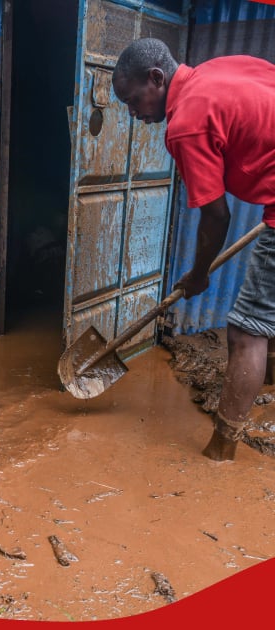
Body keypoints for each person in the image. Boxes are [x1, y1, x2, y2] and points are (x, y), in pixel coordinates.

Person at [112, 39, 275, 461]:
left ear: (156, 78)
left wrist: (199, 274)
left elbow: (217, 215)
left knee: (247, 330)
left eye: (132, 101)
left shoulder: (186, 123)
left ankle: (221, 450)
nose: (133, 113)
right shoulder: (218, 69)